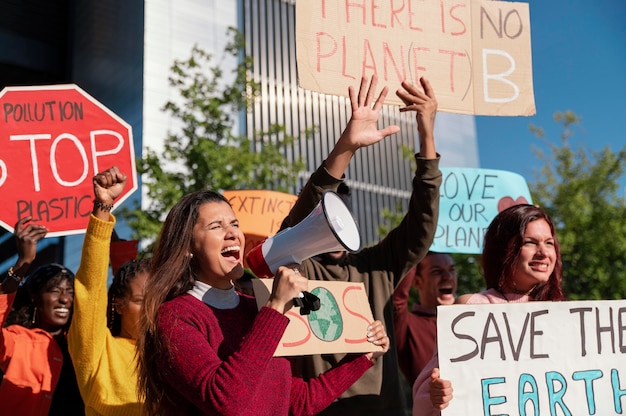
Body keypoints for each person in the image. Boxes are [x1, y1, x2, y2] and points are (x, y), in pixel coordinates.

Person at [135, 189, 390, 416]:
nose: (232, 233)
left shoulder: (254, 309)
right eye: (216, 226)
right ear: (187, 247)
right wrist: (275, 307)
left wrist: (363, 356)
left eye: (234, 224)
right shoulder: (177, 317)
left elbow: (298, 401)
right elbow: (226, 401)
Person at [279, 74, 441, 415]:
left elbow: (421, 225)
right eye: (325, 212)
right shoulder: (298, 268)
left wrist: (426, 134)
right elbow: (289, 232)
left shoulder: (376, 267)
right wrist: (346, 147)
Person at [413, 204, 565, 415]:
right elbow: (428, 396)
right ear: (504, 249)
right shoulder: (471, 309)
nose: (543, 253)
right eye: (530, 242)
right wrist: (438, 394)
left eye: (549, 243)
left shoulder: (563, 316)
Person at [68, 166, 146, 415]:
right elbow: (90, 289)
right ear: (119, 304)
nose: (151, 310)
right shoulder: (98, 351)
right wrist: (103, 207)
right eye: (141, 300)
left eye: (160, 300)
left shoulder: (173, 356)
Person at [0, 217, 85, 415]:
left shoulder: (81, 344)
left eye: (70, 292)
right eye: (54, 291)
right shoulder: (17, 340)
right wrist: (22, 264)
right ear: (34, 298)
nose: (65, 299)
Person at [393, 252, 457, 387]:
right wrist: (417, 248)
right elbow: (397, 300)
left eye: (452, 270)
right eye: (436, 272)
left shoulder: (470, 321)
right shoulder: (407, 325)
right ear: (416, 281)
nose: (448, 276)